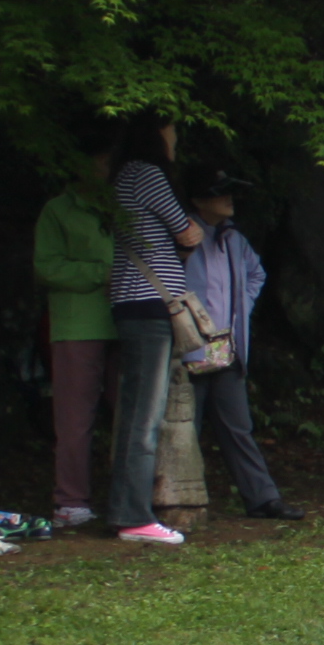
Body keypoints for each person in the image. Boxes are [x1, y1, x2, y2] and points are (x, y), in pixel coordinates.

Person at [105, 116, 200, 544]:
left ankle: (127, 511)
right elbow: (186, 230)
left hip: (133, 305)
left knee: (136, 413)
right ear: (156, 133)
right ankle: (132, 517)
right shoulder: (146, 173)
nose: (176, 137)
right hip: (148, 306)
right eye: (172, 129)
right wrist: (187, 235)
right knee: (144, 417)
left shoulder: (122, 176)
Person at [185, 172, 298, 519]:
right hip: (188, 348)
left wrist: (240, 311)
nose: (229, 199)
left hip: (226, 347)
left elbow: (256, 273)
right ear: (198, 200)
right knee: (184, 427)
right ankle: (178, 501)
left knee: (238, 427)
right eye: (220, 193)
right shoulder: (182, 235)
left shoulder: (233, 238)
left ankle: (263, 498)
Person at [35, 132, 124, 526]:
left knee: (130, 413)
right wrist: (101, 273)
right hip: (77, 323)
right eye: (103, 160)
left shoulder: (124, 205)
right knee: (74, 418)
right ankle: (70, 501)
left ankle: (131, 497)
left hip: (126, 318)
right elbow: (47, 267)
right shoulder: (58, 209)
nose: (109, 168)